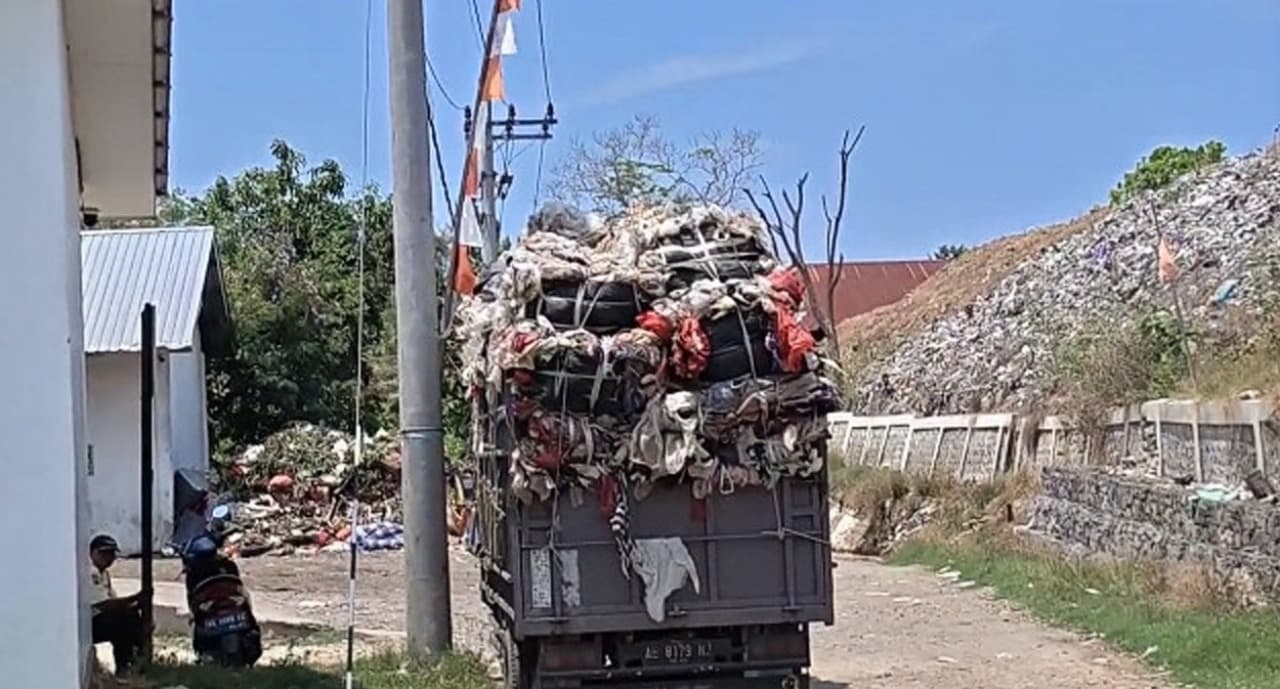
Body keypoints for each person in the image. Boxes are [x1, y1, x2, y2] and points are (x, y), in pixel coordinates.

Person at [87, 535, 143, 675]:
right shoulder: (90, 572)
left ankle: (133, 663)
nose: (108, 558)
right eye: (103, 553)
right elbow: (104, 604)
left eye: (111, 554)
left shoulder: (104, 573)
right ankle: (125, 666)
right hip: (88, 623)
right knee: (122, 621)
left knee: (130, 617)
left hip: (98, 619)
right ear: (93, 553)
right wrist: (135, 598)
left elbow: (113, 600)